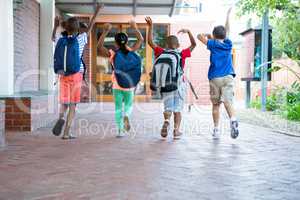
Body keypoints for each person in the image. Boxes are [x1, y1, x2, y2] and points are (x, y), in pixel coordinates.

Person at [52, 4, 102, 140]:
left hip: (62, 74)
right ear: (77, 29)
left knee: (64, 103)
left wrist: (56, 26)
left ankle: (60, 117)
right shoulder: (80, 39)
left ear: (65, 28)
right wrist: (97, 11)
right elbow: (91, 27)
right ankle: (66, 132)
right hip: (76, 74)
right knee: (73, 105)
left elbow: (53, 38)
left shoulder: (61, 40)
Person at [145, 17, 196, 139]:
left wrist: (150, 26)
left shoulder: (161, 52)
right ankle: (176, 131)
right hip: (179, 85)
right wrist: (188, 32)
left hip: (165, 84)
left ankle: (166, 121)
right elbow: (194, 44)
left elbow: (150, 42)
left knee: (168, 107)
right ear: (178, 45)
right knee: (178, 109)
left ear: (166, 45)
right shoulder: (181, 53)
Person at [197, 8, 239, 139]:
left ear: (214, 35)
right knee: (228, 102)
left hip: (215, 78)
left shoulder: (212, 44)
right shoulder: (228, 44)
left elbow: (199, 36)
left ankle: (216, 130)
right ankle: (233, 120)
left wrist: (209, 36)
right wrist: (227, 15)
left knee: (216, 105)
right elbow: (228, 29)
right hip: (228, 77)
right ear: (224, 35)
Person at [97, 21, 144, 137]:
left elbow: (99, 47)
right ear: (127, 41)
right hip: (129, 85)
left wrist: (105, 31)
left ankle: (120, 131)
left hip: (117, 84)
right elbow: (141, 40)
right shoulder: (132, 51)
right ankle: (127, 115)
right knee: (128, 105)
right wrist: (134, 27)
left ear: (115, 43)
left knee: (118, 107)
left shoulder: (113, 53)